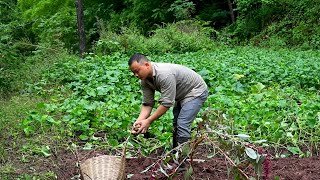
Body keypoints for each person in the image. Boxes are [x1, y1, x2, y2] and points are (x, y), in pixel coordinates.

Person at [128, 53, 208, 148]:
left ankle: (183, 157)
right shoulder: (144, 81)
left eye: (137, 71)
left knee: (182, 123)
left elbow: (167, 103)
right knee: (176, 124)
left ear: (147, 65)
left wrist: (148, 121)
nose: (136, 75)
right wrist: (139, 122)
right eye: (134, 73)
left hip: (195, 90)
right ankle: (175, 152)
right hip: (181, 94)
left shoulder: (164, 74)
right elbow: (147, 104)